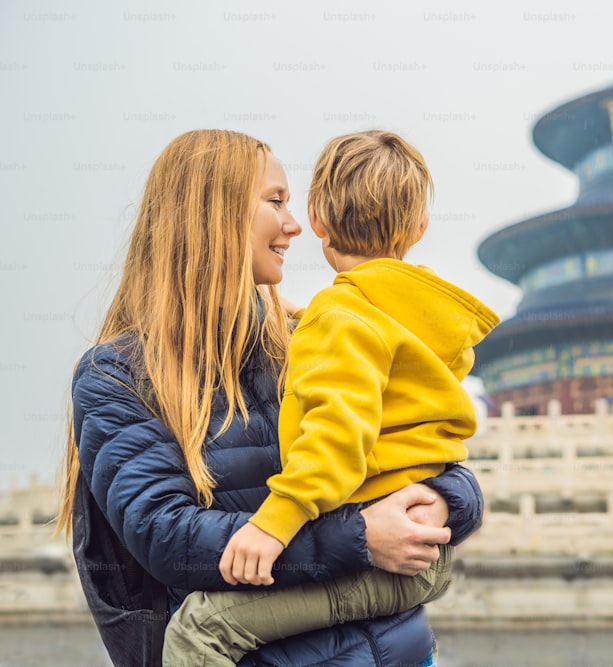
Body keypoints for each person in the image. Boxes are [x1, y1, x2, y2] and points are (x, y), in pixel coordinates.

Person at [55, 129, 485, 667]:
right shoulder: (116, 376)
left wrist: (447, 500)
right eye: (275, 201)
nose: (294, 225)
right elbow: (167, 538)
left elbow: (432, 453)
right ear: (214, 213)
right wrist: (359, 537)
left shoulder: (310, 336)